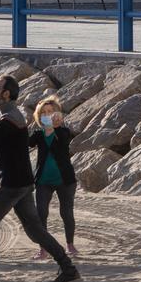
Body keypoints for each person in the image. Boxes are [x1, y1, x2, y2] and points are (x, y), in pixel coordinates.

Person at [0, 75, 81, 282]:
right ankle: (67, 268)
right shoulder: (7, 116)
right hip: (22, 182)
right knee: (34, 229)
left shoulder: (9, 119)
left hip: (13, 183)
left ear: (6, 94)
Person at [29, 96, 80, 259]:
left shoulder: (63, 132)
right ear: (39, 116)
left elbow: (62, 146)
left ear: (57, 114)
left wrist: (52, 129)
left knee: (66, 213)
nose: (47, 115)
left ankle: (70, 245)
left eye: (50, 112)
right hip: (44, 180)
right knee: (41, 213)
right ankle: (43, 249)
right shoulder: (37, 134)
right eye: (43, 113)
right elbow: (25, 143)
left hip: (65, 179)